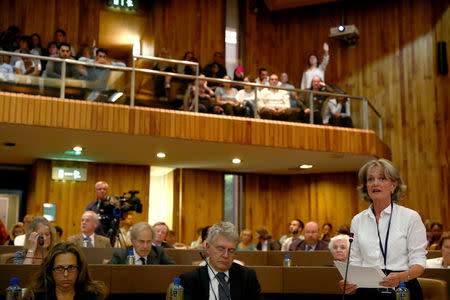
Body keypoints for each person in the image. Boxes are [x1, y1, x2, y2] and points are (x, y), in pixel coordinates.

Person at [340, 159, 427, 300]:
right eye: (370, 179)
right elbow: (355, 260)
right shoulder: (358, 220)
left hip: (402, 287)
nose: (375, 183)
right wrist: (351, 280)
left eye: (382, 178)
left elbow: (419, 263)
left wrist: (402, 276)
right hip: (367, 291)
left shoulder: (410, 217)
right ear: (366, 187)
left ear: (393, 185)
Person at [180, 222, 261, 300]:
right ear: (208, 247)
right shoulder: (190, 280)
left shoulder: (248, 277)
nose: (226, 255)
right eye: (220, 249)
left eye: (231, 250)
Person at [23, 242, 107, 300]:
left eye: (71, 268)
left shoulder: (94, 296)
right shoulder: (35, 296)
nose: (66, 274)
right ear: (50, 270)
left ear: (80, 269)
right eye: (59, 268)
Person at [108, 222, 175, 265]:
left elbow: (174, 270)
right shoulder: (120, 255)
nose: (145, 246)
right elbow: (108, 273)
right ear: (133, 242)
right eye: (141, 242)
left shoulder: (159, 253)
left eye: (148, 242)